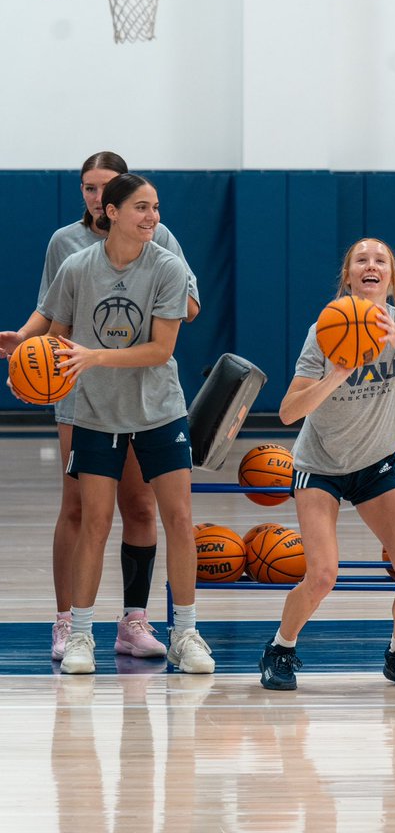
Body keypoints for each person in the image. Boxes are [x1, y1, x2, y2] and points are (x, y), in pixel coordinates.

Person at [0, 151, 199, 662]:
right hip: (83, 393)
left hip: (145, 395)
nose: (95, 196)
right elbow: (53, 318)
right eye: (88, 187)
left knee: (142, 507)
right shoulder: (67, 248)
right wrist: (24, 348)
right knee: (83, 510)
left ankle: (137, 621)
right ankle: (69, 623)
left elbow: (184, 314)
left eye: (105, 187)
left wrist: (163, 292)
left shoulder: (161, 244)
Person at [41, 172, 214, 675]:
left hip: (160, 410)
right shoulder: (75, 267)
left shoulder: (168, 267)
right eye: (141, 207)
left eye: (156, 208)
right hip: (95, 414)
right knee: (94, 523)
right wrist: (35, 373)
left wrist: (93, 357)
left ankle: (185, 633)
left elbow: (161, 350)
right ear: (111, 212)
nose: (152, 217)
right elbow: (57, 338)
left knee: (178, 520)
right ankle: (80, 636)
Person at [259, 237, 395, 691]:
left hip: (376, 464)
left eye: (380, 260)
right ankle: (280, 648)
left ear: (390, 277)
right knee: (323, 574)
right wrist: (336, 374)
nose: (371, 265)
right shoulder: (324, 329)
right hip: (319, 464)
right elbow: (288, 412)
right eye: (361, 260)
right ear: (348, 277)